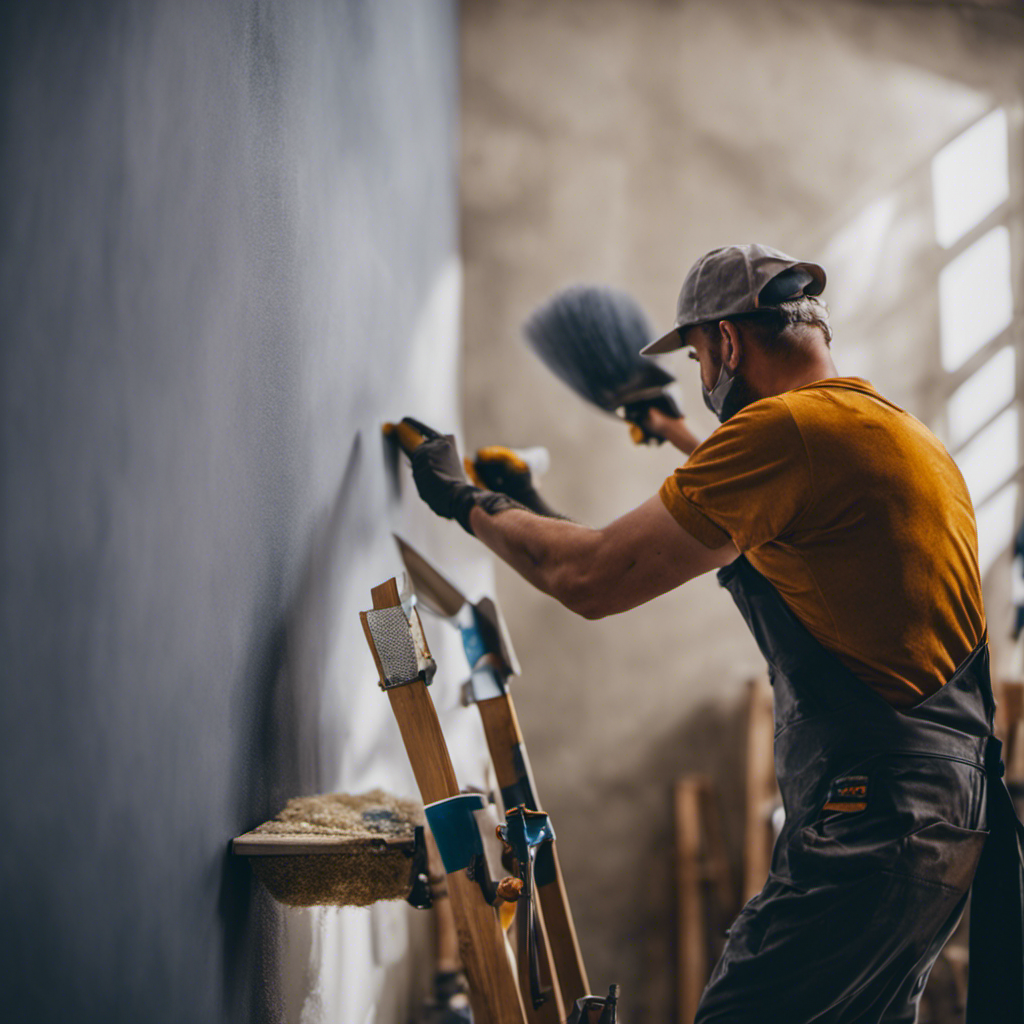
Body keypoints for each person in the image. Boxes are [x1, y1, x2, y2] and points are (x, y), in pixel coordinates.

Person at [403, 243, 1024, 1024]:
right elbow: (772, 517)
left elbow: (591, 578)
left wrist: (464, 499)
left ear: (729, 343)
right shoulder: (896, 434)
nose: (702, 382)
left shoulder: (784, 431)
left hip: (877, 823)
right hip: (939, 826)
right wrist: (665, 427)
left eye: (699, 356)